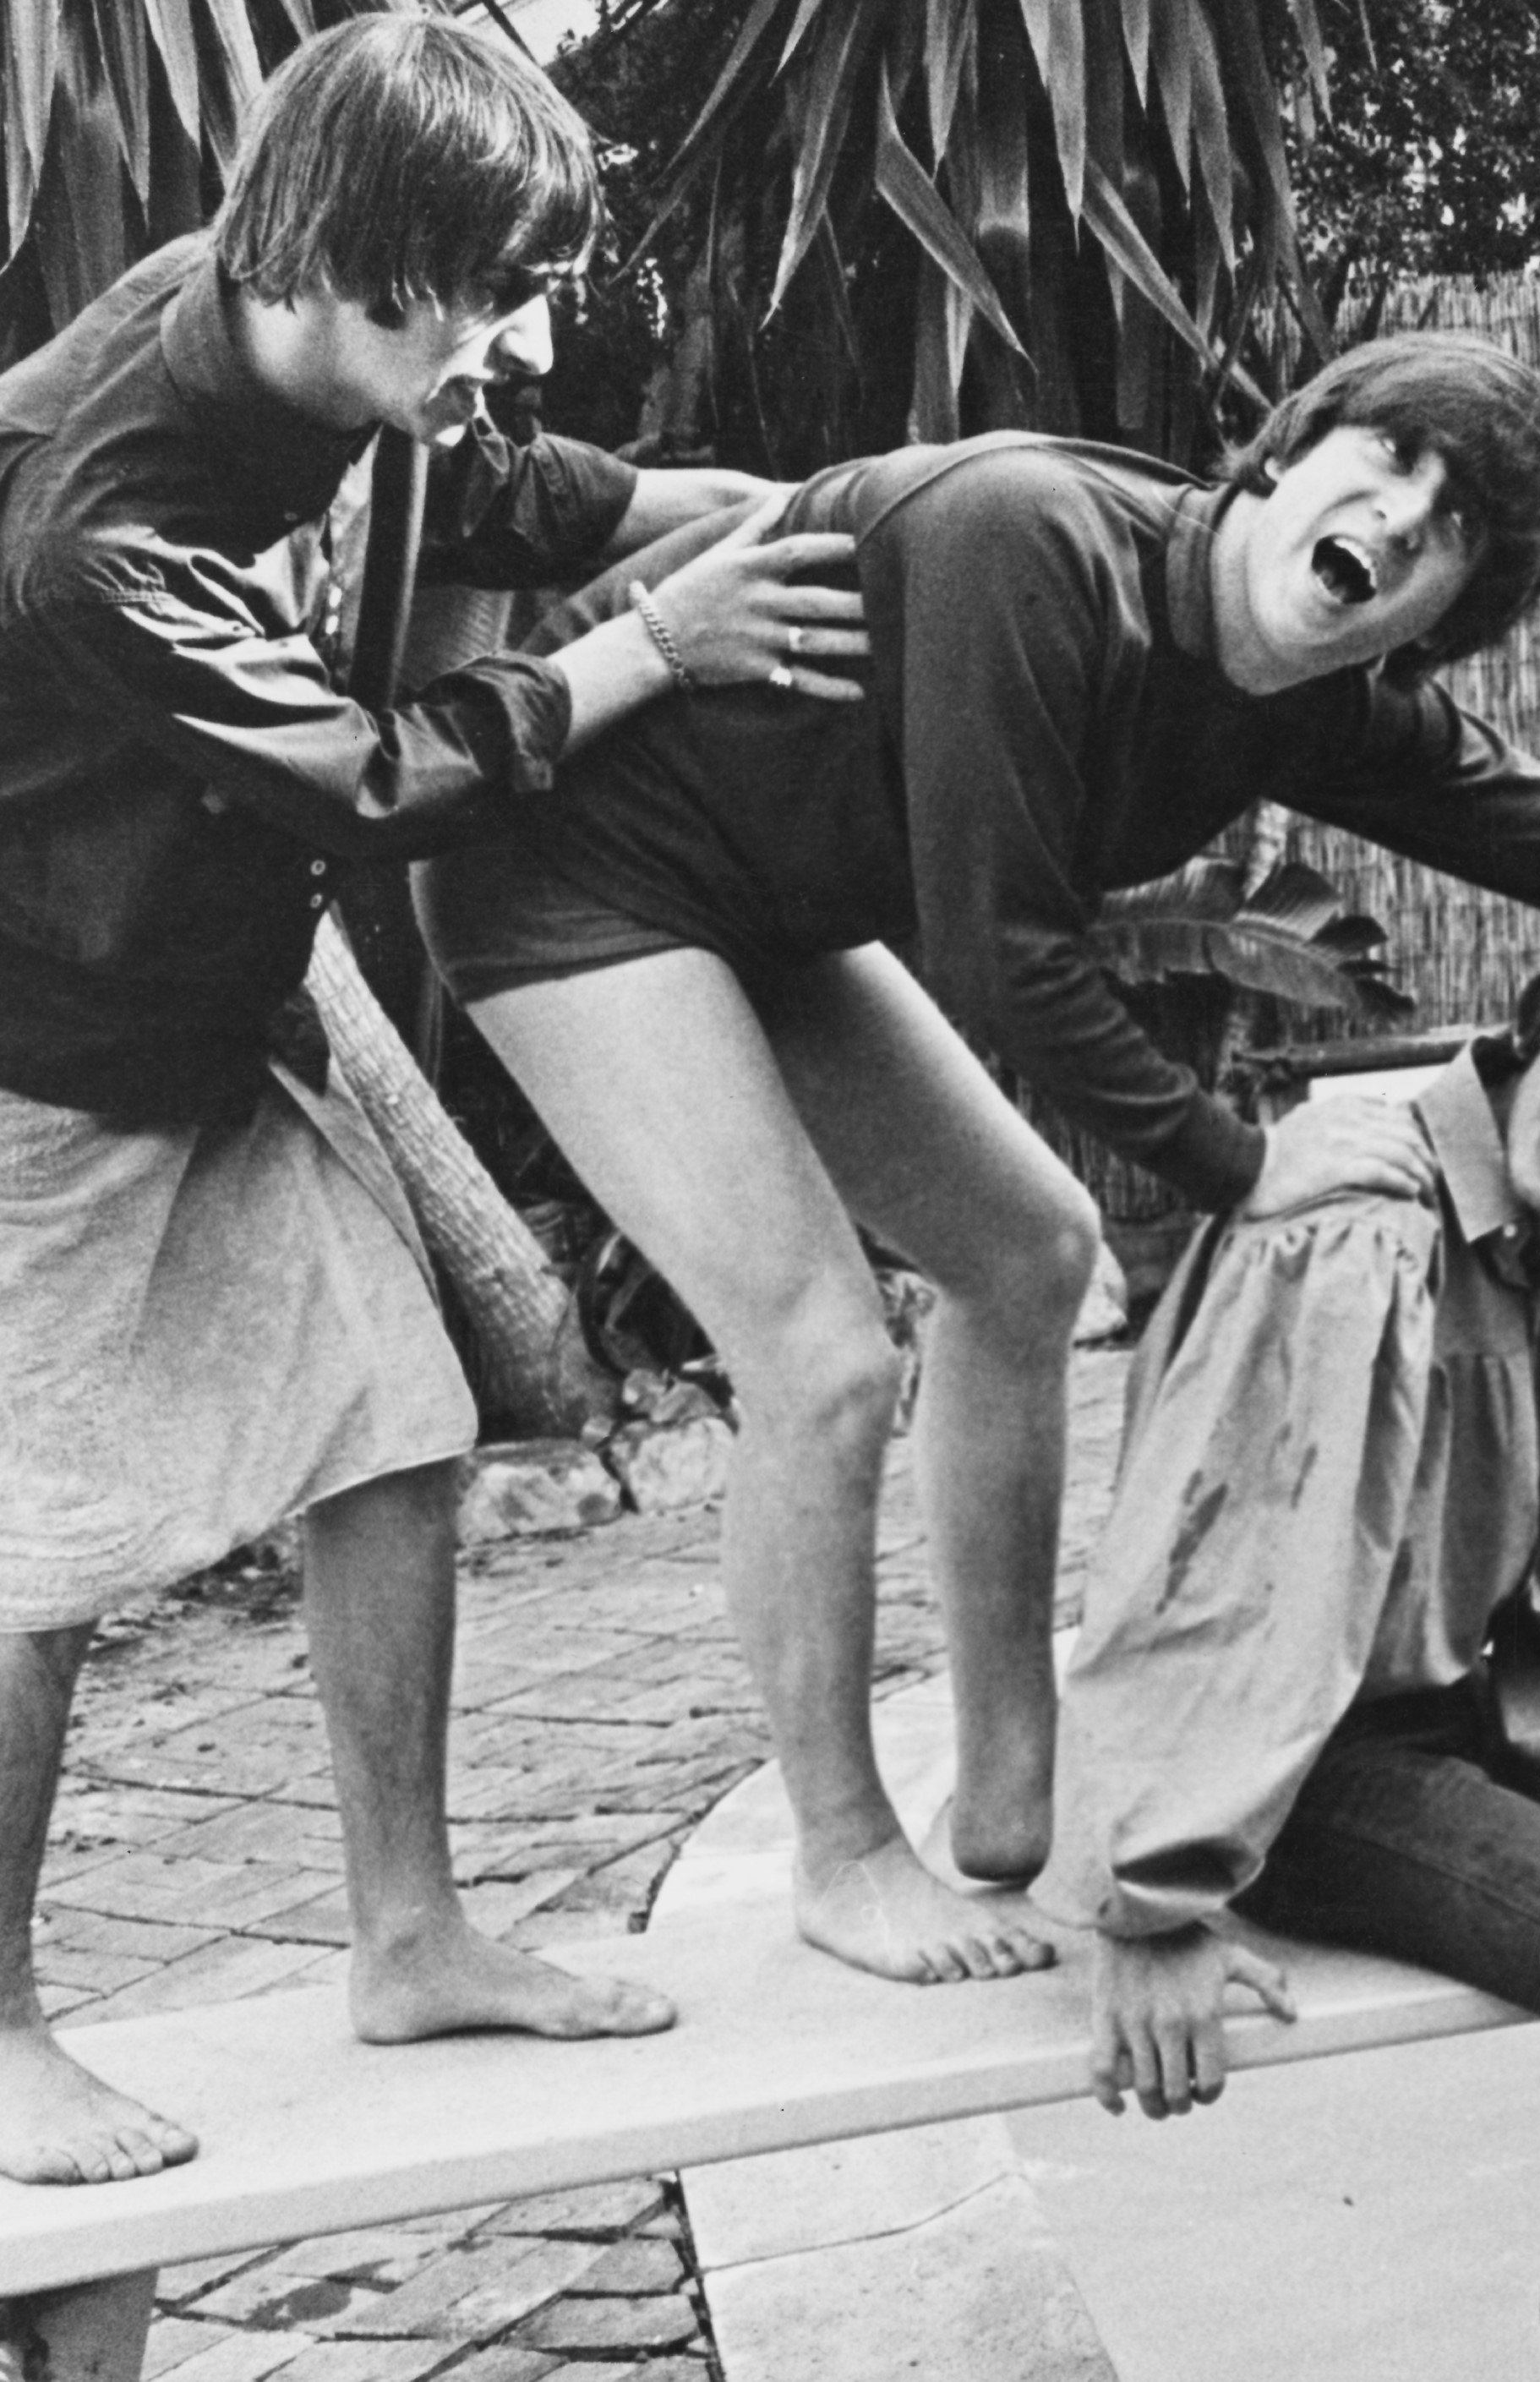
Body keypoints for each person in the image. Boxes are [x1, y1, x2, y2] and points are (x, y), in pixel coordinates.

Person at [417, 331, 1540, 1994]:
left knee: (1024, 1256)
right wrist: (1240, 1166)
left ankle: (1008, 1778)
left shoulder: (1317, 702)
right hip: (570, 867)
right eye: (1387, 461)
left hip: (766, 901)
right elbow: (1000, 947)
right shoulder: (1029, 541)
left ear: (1442, 618)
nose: (1397, 520)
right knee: (817, 1350)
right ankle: (844, 1848)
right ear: (1288, 449)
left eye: (1452, 529)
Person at [0, 14, 871, 2187]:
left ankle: (410, 1934)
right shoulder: (95, 510)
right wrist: (658, 640)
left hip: (206, 996)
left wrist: (751, 513)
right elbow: (375, 779)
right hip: (34, 1045)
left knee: (394, 1421)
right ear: (340, 254)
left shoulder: (336, 341)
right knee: (31, 1555)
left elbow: (488, 486)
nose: (505, 332)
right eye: (471, 291)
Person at [1032, 908, 1540, 2382]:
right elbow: (1215, 1566)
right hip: (1293, 1765)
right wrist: (1146, 1898)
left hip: (1431, 1704)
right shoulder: (1364, 1212)